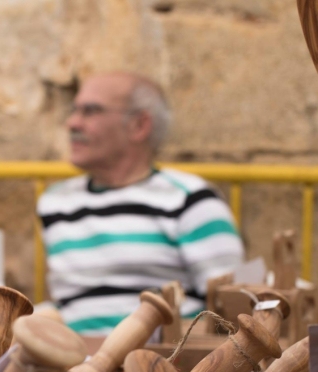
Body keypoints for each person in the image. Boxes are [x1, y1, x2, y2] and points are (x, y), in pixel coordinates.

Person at [37, 72, 244, 335]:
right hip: (71, 362)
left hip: (165, 362)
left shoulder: (191, 200)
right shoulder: (54, 203)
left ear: (139, 125)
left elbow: (231, 310)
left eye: (90, 111)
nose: (72, 123)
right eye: (74, 110)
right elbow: (68, 302)